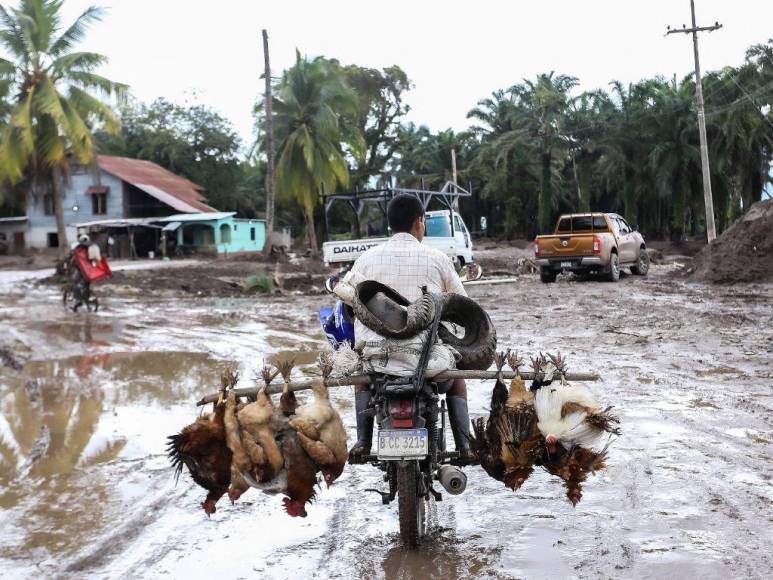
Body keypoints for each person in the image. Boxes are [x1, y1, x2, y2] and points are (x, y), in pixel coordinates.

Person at [334, 194, 474, 461]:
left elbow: (350, 306)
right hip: (427, 361)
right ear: (419, 223)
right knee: (457, 379)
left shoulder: (365, 260)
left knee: (361, 383)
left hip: (377, 361)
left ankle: (363, 442)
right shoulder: (437, 258)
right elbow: (464, 306)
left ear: (390, 224)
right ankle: (465, 447)